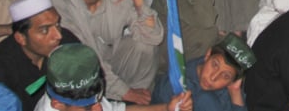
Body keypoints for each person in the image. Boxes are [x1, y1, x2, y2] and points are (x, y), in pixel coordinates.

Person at [51, 0, 163, 105]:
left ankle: (138, 102)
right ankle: (120, 100)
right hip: (80, 73)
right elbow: (86, 57)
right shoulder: (62, 1)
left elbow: (154, 37)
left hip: (111, 64)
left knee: (144, 46)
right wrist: (124, 92)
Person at [0, 0, 81, 111]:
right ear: (21, 38)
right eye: (45, 30)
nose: (58, 35)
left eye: (57, 25)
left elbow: (91, 81)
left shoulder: (67, 43)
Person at [33, 43, 191, 111]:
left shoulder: (84, 97)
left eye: (97, 100)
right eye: (87, 108)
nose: (99, 108)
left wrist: (167, 108)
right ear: (58, 104)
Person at [152, 33, 254, 111]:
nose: (213, 77)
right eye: (215, 65)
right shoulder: (174, 84)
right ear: (208, 54)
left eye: (225, 76)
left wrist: (235, 92)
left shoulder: (230, 87)